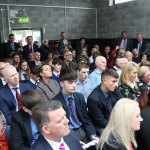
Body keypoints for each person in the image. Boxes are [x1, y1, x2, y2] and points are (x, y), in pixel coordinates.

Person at [52, 68, 98, 142]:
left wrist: (92, 134)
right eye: (70, 83)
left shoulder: (79, 96)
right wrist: (71, 140)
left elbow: (86, 118)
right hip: (69, 132)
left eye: (75, 82)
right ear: (61, 84)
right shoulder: (55, 101)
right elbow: (58, 127)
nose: (74, 85)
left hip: (82, 128)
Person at [87, 69, 122, 135]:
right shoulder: (93, 98)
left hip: (115, 120)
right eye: (113, 81)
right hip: (102, 127)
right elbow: (101, 121)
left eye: (116, 81)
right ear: (104, 81)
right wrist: (118, 127)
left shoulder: (113, 89)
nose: (116, 84)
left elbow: (122, 102)